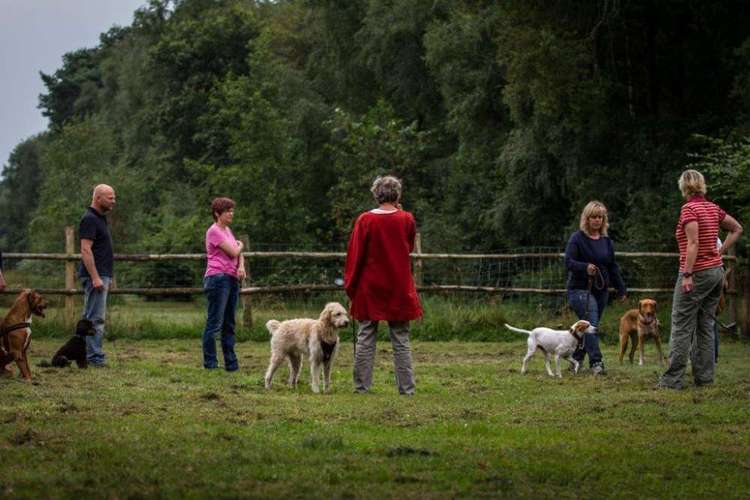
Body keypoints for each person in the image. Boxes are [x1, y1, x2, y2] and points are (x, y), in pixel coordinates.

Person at [659, 170, 742, 389]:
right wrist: (720, 252)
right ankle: (705, 379)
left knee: (681, 325)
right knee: (705, 326)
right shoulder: (712, 208)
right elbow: (737, 228)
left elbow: (693, 244)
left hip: (696, 273)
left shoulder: (689, 209)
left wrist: (687, 274)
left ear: (683, 187)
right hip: (716, 272)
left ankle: (671, 381)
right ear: (702, 185)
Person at [344, 175, 422, 395]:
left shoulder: (365, 220)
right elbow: (407, 247)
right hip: (398, 285)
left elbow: (356, 255)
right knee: (401, 338)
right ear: (397, 194)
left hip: (370, 287)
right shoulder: (406, 219)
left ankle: (361, 387)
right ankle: (407, 389)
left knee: (366, 336)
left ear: (376, 194)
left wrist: (351, 285)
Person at [565, 201, 627, 375]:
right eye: (593, 217)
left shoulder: (606, 241)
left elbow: (613, 266)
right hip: (579, 290)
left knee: (589, 328)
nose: (597, 220)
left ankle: (576, 360)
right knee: (591, 324)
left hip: (601, 290)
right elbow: (568, 262)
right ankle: (596, 363)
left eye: (600, 217)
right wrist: (585, 267)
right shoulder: (577, 238)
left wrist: (621, 289)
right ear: (587, 218)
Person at [202, 197, 246, 371]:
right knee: (215, 324)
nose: (231, 213)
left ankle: (231, 364)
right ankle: (211, 364)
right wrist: (241, 245)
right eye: (228, 211)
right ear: (217, 214)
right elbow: (235, 250)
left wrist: (241, 266)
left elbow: (238, 253)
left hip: (231, 278)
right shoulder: (214, 231)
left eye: (232, 210)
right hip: (218, 279)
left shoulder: (227, 230)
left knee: (229, 323)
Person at [79, 184, 116, 367]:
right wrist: (95, 277)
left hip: (102, 274)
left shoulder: (100, 219)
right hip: (96, 276)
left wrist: (108, 275)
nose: (113, 201)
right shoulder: (89, 219)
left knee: (88, 317)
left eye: (114, 197)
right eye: (110, 198)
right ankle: (94, 358)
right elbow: (86, 250)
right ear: (98, 198)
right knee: (95, 319)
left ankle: (82, 355)